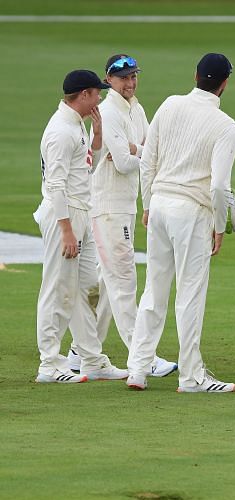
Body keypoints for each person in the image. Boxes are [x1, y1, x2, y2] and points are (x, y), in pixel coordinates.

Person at [126, 53, 235, 393]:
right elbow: (219, 185)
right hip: (191, 211)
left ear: (196, 75)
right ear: (224, 84)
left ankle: (137, 369)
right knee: (189, 294)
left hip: (160, 203)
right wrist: (219, 226)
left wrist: (148, 203)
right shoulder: (225, 126)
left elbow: (149, 159)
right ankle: (191, 376)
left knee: (154, 290)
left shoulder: (170, 104)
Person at [66, 54, 177, 378]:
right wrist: (137, 152)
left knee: (108, 281)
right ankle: (143, 357)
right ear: (109, 80)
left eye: (133, 76)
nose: (129, 83)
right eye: (123, 78)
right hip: (107, 206)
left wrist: (136, 152)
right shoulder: (109, 111)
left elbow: (144, 154)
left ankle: (81, 352)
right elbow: (126, 161)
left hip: (125, 205)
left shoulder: (137, 108)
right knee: (124, 281)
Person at [34, 69, 128, 383]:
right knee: (57, 289)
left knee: (87, 285)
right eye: (97, 93)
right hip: (65, 215)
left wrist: (97, 136)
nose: (100, 99)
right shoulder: (61, 130)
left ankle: (91, 359)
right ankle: (49, 364)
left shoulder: (77, 125)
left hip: (80, 213)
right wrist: (66, 230)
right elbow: (56, 184)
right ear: (84, 94)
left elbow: (86, 167)